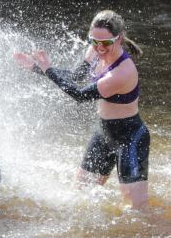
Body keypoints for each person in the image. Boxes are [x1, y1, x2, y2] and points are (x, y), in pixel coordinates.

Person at [14, 10, 150, 208]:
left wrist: (48, 69)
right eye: (94, 41)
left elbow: (79, 94)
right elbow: (75, 78)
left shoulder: (123, 72)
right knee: (80, 197)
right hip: (103, 133)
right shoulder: (95, 49)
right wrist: (37, 68)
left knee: (137, 212)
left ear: (118, 39)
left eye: (105, 43)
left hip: (130, 138)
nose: (99, 47)